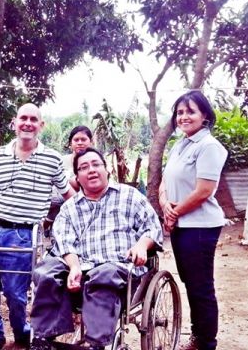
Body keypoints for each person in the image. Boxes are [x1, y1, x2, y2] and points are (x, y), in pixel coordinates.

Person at [0, 103, 76, 350]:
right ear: (14, 123)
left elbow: (67, 193)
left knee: (14, 292)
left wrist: (90, 209)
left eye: (33, 119)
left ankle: (21, 332)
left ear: (41, 125)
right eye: (23, 118)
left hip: (23, 233)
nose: (27, 123)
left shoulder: (51, 159)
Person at [30, 147, 163, 350]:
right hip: (78, 268)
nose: (91, 170)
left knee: (103, 274)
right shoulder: (69, 208)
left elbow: (152, 227)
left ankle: (97, 343)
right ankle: (44, 338)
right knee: (45, 270)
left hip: (117, 267)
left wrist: (141, 245)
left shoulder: (130, 196)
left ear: (106, 169)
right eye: (84, 167)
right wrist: (74, 267)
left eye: (95, 164)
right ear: (77, 177)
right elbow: (65, 242)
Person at [159, 90, 227, 350]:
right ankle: (198, 336)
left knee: (201, 287)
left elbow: (204, 191)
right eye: (180, 112)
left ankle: (206, 342)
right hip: (181, 226)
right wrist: (165, 205)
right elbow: (165, 181)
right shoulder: (181, 144)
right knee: (190, 282)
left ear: (205, 115)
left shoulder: (209, 147)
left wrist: (173, 213)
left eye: (190, 111)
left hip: (200, 227)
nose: (184, 117)